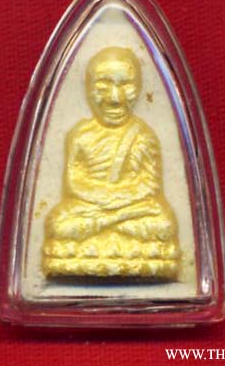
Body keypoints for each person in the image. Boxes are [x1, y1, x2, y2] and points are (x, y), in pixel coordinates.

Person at [42, 47, 180, 279]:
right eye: (103, 86)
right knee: (58, 223)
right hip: (92, 207)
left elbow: (149, 186)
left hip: (130, 209)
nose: (115, 98)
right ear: (88, 89)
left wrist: (115, 203)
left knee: (164, 224)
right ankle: (110, 229)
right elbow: (74, 183)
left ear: (139, 88)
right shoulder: (80, 135)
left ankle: (107, 234)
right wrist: (108, 202)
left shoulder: (143, 136)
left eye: (126, 85)